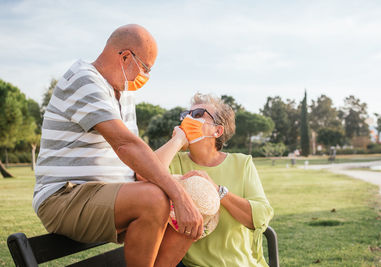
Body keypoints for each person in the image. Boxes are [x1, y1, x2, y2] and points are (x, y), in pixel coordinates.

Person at [33, 24, 203, 267]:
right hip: (65, 196)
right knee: (157, 199)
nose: (145, 77)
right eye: (145, 68)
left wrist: (183, 187)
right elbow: (126, 145)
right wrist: (177, 194)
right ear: (125, 56)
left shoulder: (124, 95)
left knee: (198, 195)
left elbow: (139, 169)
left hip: (111, 194)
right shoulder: (84, 79)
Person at [151, 93, 274, 266]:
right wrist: (177, 140)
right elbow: (146, 172)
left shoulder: (242, 163)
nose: (188, 119)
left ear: (218, 130)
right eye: (185, 115)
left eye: (198, 114)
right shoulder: (174, 161)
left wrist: (217, 191)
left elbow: (261, 217)